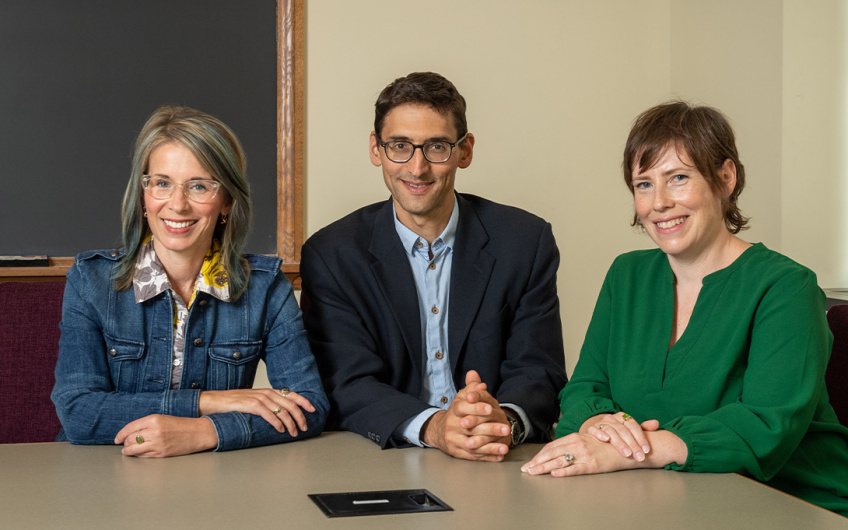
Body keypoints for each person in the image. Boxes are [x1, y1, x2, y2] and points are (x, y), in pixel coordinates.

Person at [522, 102, 848, 516]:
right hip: (664, 500)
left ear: (725, 178)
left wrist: (628, 452)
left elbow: (768, 424)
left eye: (677, 178)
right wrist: (597, 427)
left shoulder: (786, 286)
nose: (658, 202)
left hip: (792, 504)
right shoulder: (627, 275)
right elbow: (585, 388)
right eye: (643, 184)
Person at [300, 72, 567, 462]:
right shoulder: (332, 254)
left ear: (465, 150)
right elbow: (345, 381)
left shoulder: (525, 241)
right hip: (380, 457)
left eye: (437, 146)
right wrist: (435, 427)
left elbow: (538, 369)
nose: (418, 167)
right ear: (376, 149)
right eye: (400, 146)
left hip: (497, 457)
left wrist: (501, 422)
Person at [52, 106, 328, 457]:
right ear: (143, 196)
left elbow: (308, 407)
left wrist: (204, 432)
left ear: (227, 200)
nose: (178, 204)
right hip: (102, 473)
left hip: (215, 480)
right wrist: (209, 402)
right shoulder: (90, 281)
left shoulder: (265, 287)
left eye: (199, 186)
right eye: (162, 183)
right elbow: (78, 413)